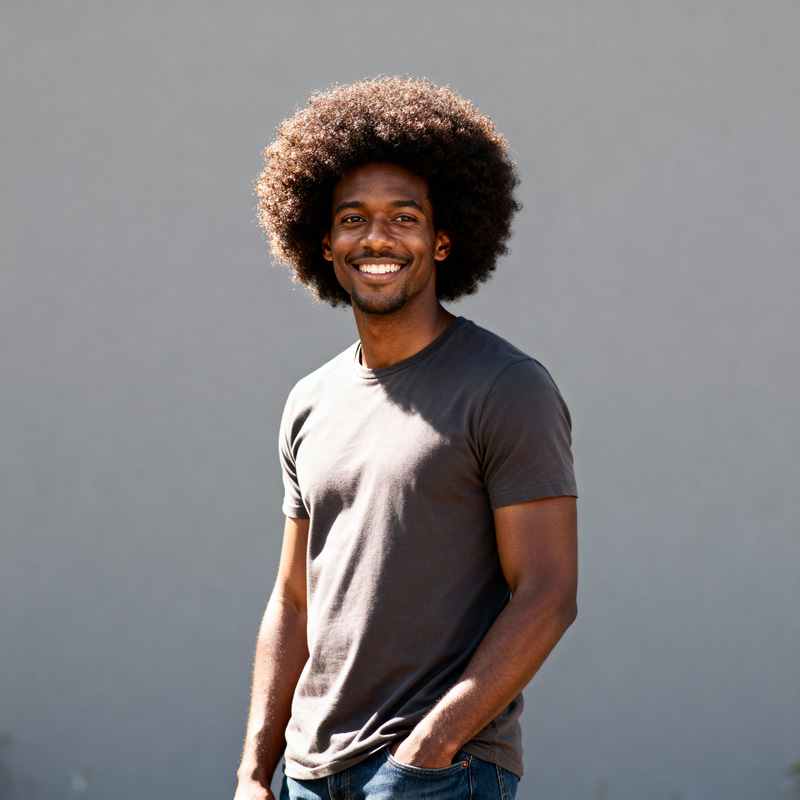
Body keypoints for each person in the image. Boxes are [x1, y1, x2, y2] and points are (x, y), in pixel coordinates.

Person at [234, 76, 578, 800]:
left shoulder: (506, 386)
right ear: (323, 243)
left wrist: (427, 751)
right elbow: (293, 598)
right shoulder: (310, 400)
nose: (377, 237)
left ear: (443, 238)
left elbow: (547, 594)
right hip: (304, 775)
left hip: (433, 774)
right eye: (353, 219)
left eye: (404, 217)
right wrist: (254, 771)